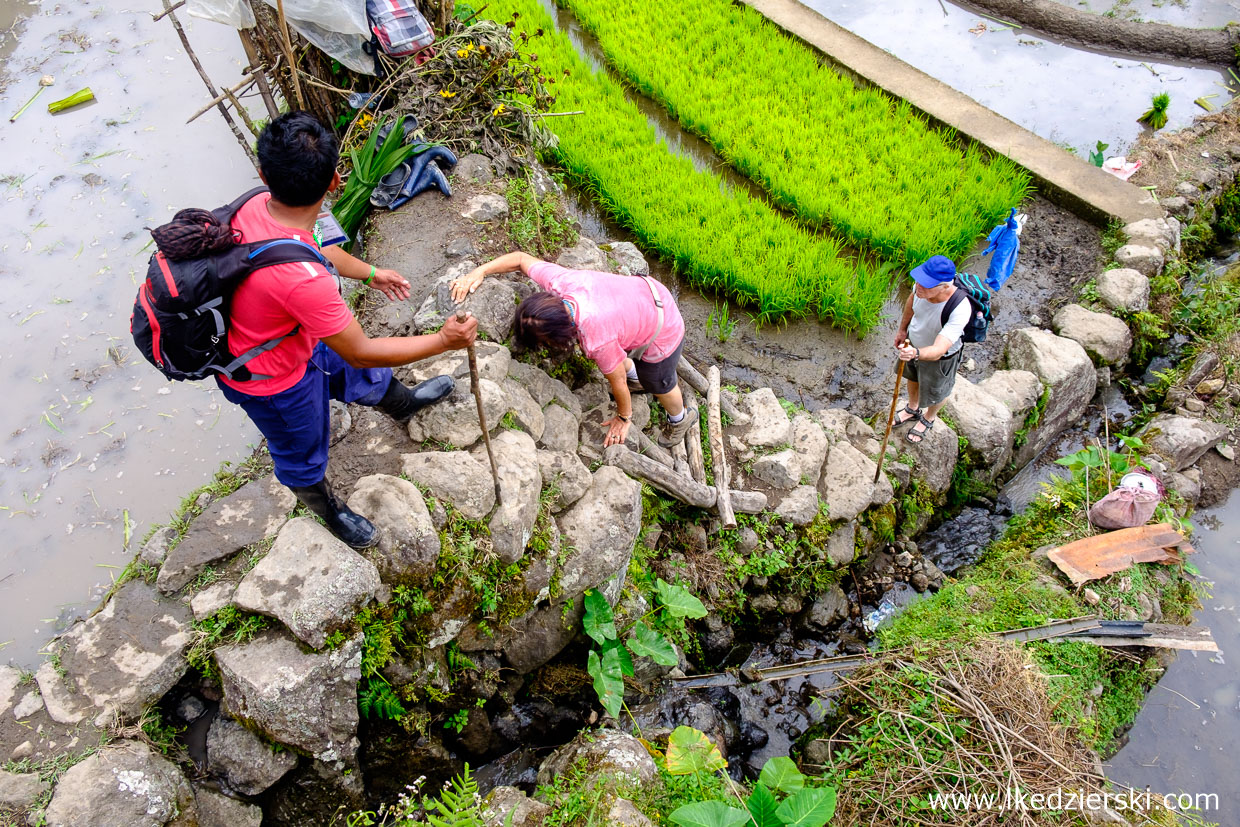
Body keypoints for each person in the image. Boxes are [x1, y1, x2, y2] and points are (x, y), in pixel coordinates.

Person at [218, 112, 478, 549]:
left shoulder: (256, 204)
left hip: (294, 331)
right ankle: (330, 510)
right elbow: (360, 349)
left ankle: (403, 404)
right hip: (270, 377)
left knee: (356, 373)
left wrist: (371, 273)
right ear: (336, 181)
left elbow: (314, 246)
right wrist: (443, 341)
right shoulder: (303, 282)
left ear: (264, 173)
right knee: (302, 447)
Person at [449, 251, 694, 448]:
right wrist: (479, 271)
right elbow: (521, 259)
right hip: (645, 297)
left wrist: (624, 417)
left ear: (559, 335)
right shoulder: (562, 285)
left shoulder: (596, 337)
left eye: (546, 342)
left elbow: (616, 378)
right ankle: (638, 379)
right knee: (628, 362)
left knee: (657, 381)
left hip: (664, 325)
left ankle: (680, 419)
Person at [892, 255, 969, 444]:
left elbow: (939, 349)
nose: (919, 286)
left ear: (945, 286)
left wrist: (916, 354)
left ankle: (929, 417)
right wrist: (902, 330)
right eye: (919, 281)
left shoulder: (960, 308)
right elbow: (911, 302)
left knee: (937, 391)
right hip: (913, 343)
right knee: (912, 377)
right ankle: (912, 408)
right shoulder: (920, 288)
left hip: (939, 358)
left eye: (926, 285)